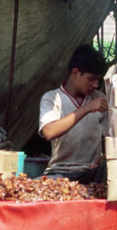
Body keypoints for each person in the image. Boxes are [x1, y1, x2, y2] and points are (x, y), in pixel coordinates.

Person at [38, 44, 108, 183]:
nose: (95, 85)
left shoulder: (100, 99)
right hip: (60, 172)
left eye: (98, 80)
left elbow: (113, 136)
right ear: (75, 73)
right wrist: (87, 108)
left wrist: (105, 157)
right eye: (91, 79)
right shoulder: (52, 98)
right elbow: (49, 131)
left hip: (91, 171)